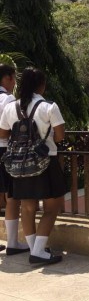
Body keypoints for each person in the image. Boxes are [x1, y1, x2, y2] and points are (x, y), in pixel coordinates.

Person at [0, 67, 66, 265]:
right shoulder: (49, 107)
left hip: (20, 163)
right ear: (41, 85)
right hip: (46, 162)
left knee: (27, 207)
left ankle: (33, 248)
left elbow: (3, 135)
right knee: (51, 207)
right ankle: (38, 251)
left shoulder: (11, 108)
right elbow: (60, 136)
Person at [0, 64, 30, 255]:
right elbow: (9, 128)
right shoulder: (8, 99)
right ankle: (12, 242)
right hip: (4, 149)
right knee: (12, 197)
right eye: (14, 78)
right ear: (8, 78)